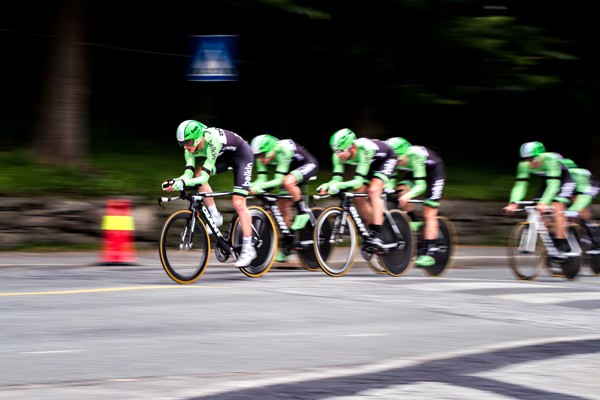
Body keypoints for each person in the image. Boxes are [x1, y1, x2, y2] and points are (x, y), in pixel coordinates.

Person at [161, 119, 256, 267]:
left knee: (238, 202)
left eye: (188, 142)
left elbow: (204, 178)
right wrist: (175, 181)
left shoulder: (212, 140)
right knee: (196, 173)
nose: (186, 147)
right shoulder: (189, 149)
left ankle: (248, 248)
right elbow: (188, 174)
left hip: (242, 156)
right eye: (182, 143)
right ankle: (215, 216)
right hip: (224, 156)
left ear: (199, 137)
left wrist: (183, 183)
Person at [317, 128, 397, 251]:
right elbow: (336, 179)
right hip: (369, 164)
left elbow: (358, 181)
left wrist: (338, 186)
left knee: (374, 190)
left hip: (386, 159)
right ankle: (375, 226)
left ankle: (378, 234)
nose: (338, 155)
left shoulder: (364, 149)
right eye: (336, 151)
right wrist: (328, 185)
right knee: (358, 196)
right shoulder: (338, 155)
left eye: (342, 151)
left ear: (352, 147)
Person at [249, 134, 319, 262]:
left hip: (307, 164)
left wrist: (260, 187)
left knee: (287, 182)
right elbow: (262, 179)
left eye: (262, 155)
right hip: (288, 169)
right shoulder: (263, 156)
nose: (260, 159)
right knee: (282, 205)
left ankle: (303, 211)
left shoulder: (282, 149)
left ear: (271, 149)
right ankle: (287, 242)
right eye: (257, 156)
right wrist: (250, 186)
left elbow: (279, 180)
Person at [503, 141, 576, 255]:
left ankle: (562, 242)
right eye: (527, 159)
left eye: (533, 158)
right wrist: (513, 202)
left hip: (564, 180)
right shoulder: (524, 165)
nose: (530, 162)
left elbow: (554, 185)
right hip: (548, 181)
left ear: (541, 155)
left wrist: (545, 202)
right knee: (536, 207)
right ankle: (550, 238)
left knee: (557, 205)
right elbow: (520, 185)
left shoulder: (550, 160)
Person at [385, 137, 446, 267]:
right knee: (400, 190)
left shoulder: (415, 156)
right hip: (415, 171)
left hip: (434, 173)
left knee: (429, 211)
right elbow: (391, 180)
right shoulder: (397, 159)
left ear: (405, 155)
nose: (397, 164)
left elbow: (421, 186)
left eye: (399, 161)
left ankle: (429, 253)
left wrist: (409, 195)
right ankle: (414, 221)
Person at [561, 158, 600, 247]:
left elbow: (583, 193)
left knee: (578, 205)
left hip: (589, 188)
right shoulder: (566, 176)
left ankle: (593, 235)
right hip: (579, 189)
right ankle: (577, 231)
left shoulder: (576, 174)